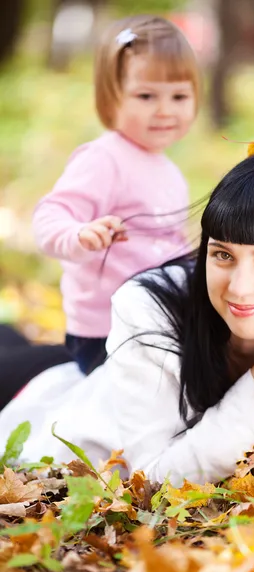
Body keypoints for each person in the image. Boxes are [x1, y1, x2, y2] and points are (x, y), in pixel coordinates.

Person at [0, 146, 254, 486]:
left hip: (81, 373)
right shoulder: (150, 304)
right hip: (37, 397)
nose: (240, 287)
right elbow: (152, 477)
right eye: (223, 255)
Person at [32, 15, 200, 375]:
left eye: (179, 96)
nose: (165, 110)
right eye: (146, 95)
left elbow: (167, 243)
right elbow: (50, 217)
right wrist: (80, 234)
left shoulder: (167, 169)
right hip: (106, 331)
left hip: (159, 320)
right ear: (110, 98)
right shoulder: (104, 158)